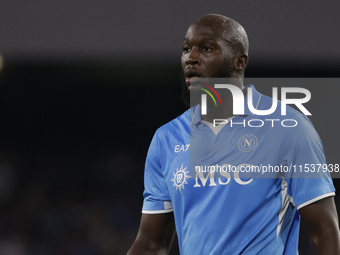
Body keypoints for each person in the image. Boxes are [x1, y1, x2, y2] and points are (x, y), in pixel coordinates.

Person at [127, 14, 340, 255]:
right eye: (186, 49)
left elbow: (324, 231)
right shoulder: (166, 138)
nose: (191, 58)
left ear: (239, 62)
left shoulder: (288, 128)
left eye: (206, 48)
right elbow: (150, 243)